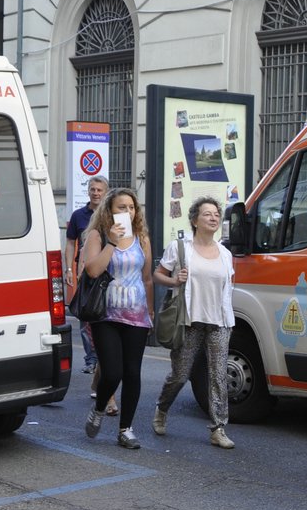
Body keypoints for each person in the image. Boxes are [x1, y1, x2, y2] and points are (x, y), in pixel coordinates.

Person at [152, 196, 236, 449]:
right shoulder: (180, 248)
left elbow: (229, 286)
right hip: (189, 320)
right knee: (180, 375)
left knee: (219, 375)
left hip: (219, 321)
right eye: (207, 214)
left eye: (216, 214)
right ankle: (162, 408)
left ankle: (218, 428)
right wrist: (175, 280)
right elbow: (157, 275)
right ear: (194, 220)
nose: (213, 218)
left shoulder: (225, 253)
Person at [81, 187, 152, 449]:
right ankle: (99, 408)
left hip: (137, 314)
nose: (128, 212)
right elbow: (92, 270)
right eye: (122, 208)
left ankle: (126, 429)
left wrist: (151, 310)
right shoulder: (97, 235)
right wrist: (111, 241)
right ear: (110, 211)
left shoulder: (142, 237)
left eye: (132, 208)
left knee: (133, 373)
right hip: (106, 315)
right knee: (112, 372)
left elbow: (147, 277)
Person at [66, 177, 109, 374]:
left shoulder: (111, 216)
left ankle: (103, 356)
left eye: (100, 190)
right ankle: (91, 358)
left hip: (106, 273)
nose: (96, 193)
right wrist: (69, 270)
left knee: (104, 313)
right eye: (92, 189)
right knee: (86, 315)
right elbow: (69, 243)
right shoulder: (78, 216)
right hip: (84, 273)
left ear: (106, 192)